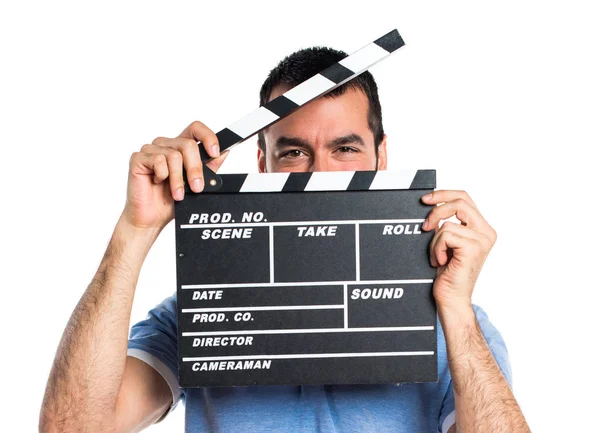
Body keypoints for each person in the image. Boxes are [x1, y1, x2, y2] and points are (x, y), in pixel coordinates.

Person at [40, 47, 530, 433]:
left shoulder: (456, 326)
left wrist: (457, 312)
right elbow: (71, 428)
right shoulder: (201, 312)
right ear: (262, 164)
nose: (320, 173)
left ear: (382, 158)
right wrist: (134, 231)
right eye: (294, 152)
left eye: (345, 148)